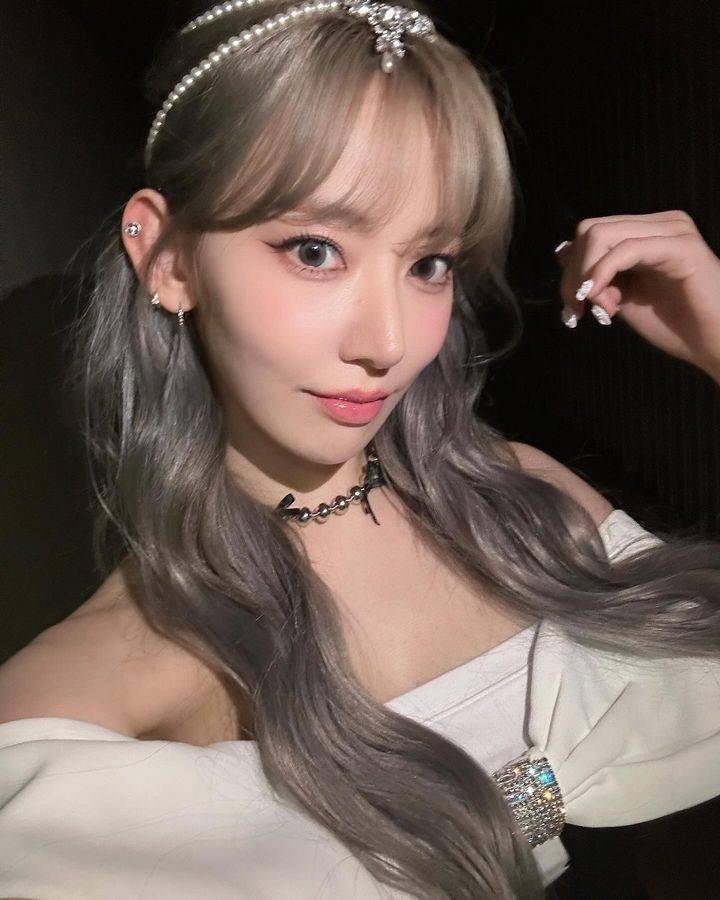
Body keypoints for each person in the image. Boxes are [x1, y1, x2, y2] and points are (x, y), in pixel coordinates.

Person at [1, 1, 720, 897]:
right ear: (170, 258)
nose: (388, 342)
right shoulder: (103, 684)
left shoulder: (528, 499)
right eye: (315, 250)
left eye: (429, 264)